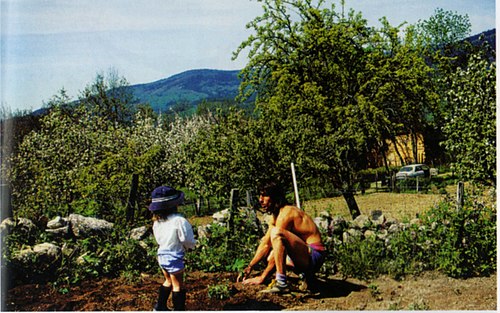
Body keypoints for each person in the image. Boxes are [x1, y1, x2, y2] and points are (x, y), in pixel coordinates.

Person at [239, 181, 326, 293]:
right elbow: (265, 243)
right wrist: (250, 266)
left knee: (277, 234)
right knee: (269, 255)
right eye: (260, 195)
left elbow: (277, 242)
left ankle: (281, 283)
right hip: (303, 254)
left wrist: (262, 278)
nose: (260, 199)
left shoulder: (286, 213)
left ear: (275, 197)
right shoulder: (277, 215)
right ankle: (305, 277)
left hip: (314, 255)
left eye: (265, 195)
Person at [149, 186, 196, 311]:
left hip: (162, 255)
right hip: (174, 255)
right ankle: (178, 309)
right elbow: (187, 239)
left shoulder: (157, 221)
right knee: (178, 285)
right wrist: (190, 246)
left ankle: (160, 307)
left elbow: (158, 238)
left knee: (168, 281)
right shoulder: (179, 221)